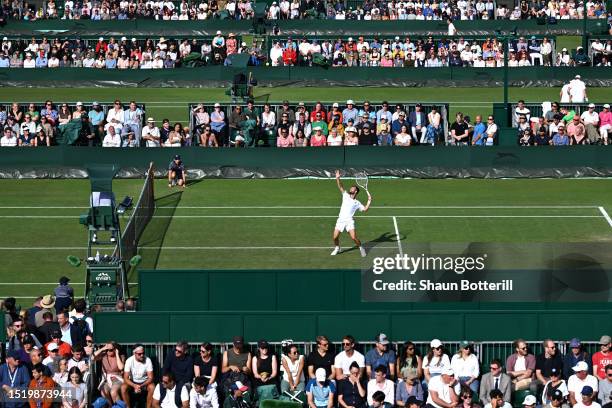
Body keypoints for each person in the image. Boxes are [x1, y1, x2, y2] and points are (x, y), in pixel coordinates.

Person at [330, 169, 372, 257]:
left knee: (353, 238)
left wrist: (369, 201)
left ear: (355, 191)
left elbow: (364, 209)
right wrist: (337, 178)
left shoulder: (357, 203)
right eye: (351, 188)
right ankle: (337, 248)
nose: (350, 189)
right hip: (340, 220)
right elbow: (340, 187)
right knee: (335, 237)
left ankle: (361, 247)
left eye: (352, 188)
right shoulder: (345, 195)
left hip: (349, 221)